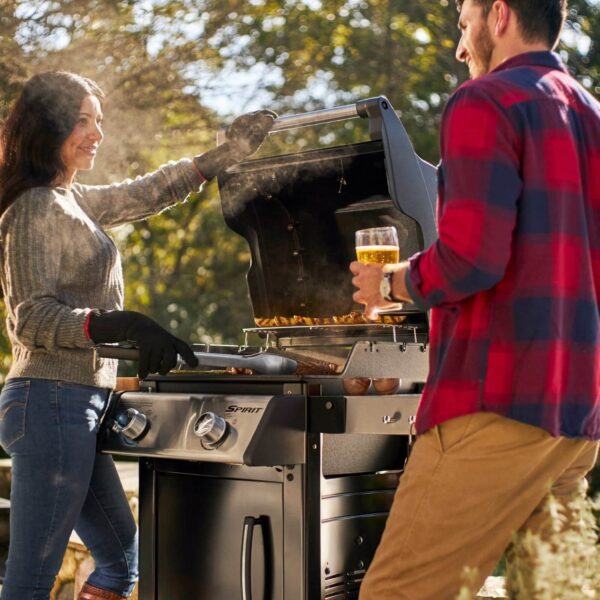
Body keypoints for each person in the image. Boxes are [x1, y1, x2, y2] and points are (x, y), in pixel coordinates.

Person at [350, 0, 600, 598]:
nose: (460, 49)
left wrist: (390, 284)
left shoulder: (485, 101)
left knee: (396, 592)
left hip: (495, 402)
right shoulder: (590, 114)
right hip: (576, 414)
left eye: (464, 27)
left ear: (499, 14)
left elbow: (472, 258)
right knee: (554, 593)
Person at [0, 71, 275, 600]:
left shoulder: (70, 200)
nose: (96, 133)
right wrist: (112, 325)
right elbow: (30, 319)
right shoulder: (35, 206)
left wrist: (218, 159)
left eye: (99, 121)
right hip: (49, 401)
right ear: (48, 124)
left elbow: (143, 194)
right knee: (30, 582)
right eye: (82, 121)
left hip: (77, 404)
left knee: (121, 560)